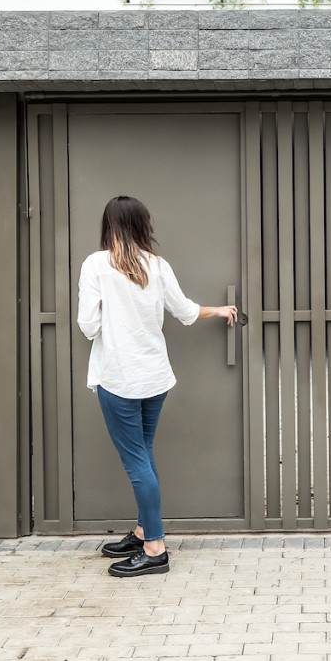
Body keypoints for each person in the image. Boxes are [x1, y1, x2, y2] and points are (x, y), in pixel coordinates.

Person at [76, 195, 237, 577]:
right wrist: (218, 310)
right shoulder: (158, 265)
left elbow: (88, 326)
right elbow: (184, 311)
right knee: (143, 455)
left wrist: (112, 317)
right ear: (143, 225)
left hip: (119, 377)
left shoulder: (96, 264)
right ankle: (143, 531)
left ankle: (155, 549)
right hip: (155, 378)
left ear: (109, 225)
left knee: (136, 462)